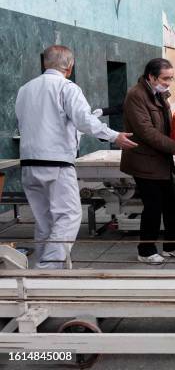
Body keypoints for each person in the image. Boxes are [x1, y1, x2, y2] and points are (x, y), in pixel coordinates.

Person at [15, 45, 137, 269]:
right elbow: (84, 121)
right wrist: (114, 136)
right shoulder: (67, 88)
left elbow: (31, 122)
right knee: (69, 215)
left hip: (29, 163)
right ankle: (47, 271)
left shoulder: (25, 89)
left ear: (45, 63)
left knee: (44, 220)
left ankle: (40, 267)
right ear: (70, 67)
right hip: (57, 163)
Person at [120, 58, 175, 265]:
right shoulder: (136, 95)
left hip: (161, 159)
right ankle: (146, 249)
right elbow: (146, 131)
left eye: (171, 78)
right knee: (153, 206)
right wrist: (174, 147)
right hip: (144, 162)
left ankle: (171, 245)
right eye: (165, 78)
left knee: (170, 203)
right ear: (151, 77)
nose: (169, 82)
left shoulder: (159, 94)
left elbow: (166, 125)